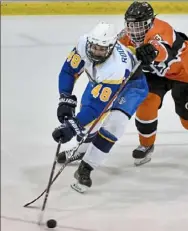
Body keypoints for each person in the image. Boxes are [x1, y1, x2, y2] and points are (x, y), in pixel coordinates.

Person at [52, 22, 148, 192]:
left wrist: (70, 127)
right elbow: (68, 71)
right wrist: (65, 98)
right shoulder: (83, 43)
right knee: (87, 125)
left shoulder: (115, 67)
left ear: (111, 47)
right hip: (101, 82)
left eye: (102, 49)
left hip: (131, 86)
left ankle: (87, 167)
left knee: (114, 124)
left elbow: (97, 109)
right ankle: (81, 150)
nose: (97, 52)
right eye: (94, 47)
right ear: (89, 42)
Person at [119, 1, 188, 166]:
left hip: (184, 72)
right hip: (156, 74)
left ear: (150, 22)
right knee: (145, 100)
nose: (135, 31)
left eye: (140, 25)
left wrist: (152, 51)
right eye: (131, 25)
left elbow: (161, 48)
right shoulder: (125, 37)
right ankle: (146, 144)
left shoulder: (161, 30)